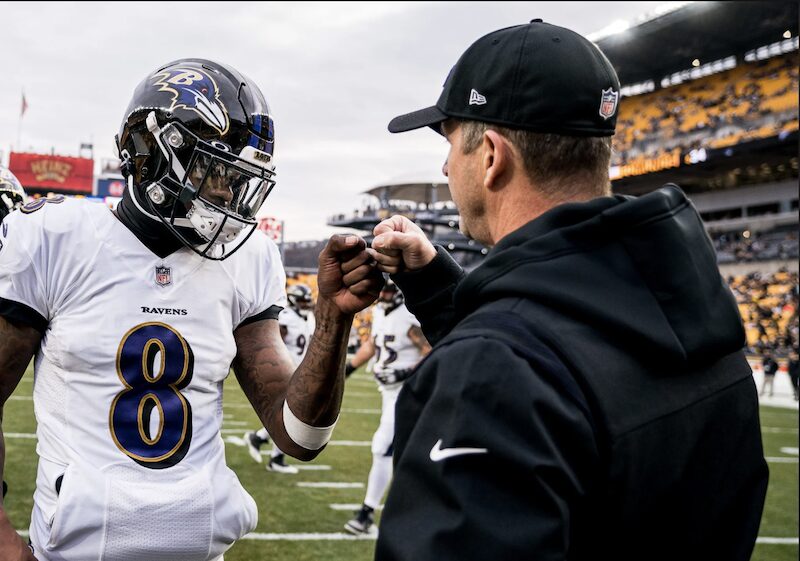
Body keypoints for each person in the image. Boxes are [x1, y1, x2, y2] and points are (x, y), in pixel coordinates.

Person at [364, 21, 768, 561]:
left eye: (450, 144)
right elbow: (579, 360)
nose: (443, 166)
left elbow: (531, 368)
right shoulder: (695, 316)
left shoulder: (492, 370)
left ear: (490, 155)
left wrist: (477, 350)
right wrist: (434, 281)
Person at [0, 58, 382, 561]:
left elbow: (300, 436)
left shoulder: (247, 260)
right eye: (215, 171)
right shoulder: (54, 239)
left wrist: (333, 319)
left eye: (238, 179)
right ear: (151, 153)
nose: (227, 194)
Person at [342, 280, 430, 535]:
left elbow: (431, 349)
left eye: (388, 290)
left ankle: (366, 515)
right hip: (387, 392)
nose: (383, 295)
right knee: (405, 451)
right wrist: (348, 369)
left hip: (407, 392)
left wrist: (404, 372)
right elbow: (372, 344)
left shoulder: (409, 316)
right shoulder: (380, 311)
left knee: (383, 447)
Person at [244, 283, 316, 474]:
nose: (305, 304)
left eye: (306, 300)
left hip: (299, 369)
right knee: (292, 415)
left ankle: (260, 440)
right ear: (292, 300)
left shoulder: (306, 317)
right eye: (301, 300)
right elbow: (276, 342)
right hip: (286, 369)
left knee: (291, 415)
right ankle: (274, 456)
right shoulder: (286, 317)